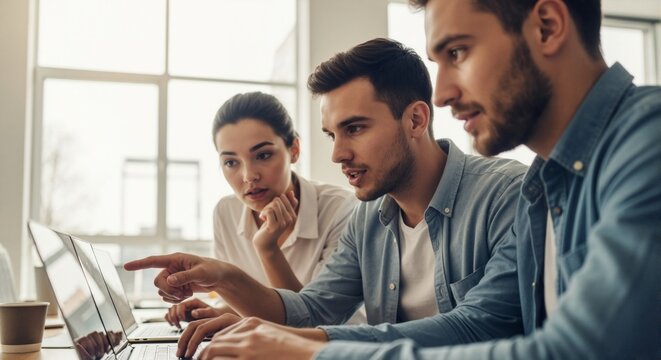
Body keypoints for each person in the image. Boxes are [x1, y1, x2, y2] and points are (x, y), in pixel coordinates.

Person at [197, 0, 661, 359]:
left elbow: (571, 349)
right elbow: (478, 324)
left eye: (457, 52)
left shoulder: (645, 141)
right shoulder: (546, 185)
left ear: (547, 26)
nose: (442, 93)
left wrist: (315, 351)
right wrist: (249, 302)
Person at [124, 38, 528, 358]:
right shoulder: (369, 217)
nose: (338, 155)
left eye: (355, 129)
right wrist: (221, 276)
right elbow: (311, 309)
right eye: (332, 135)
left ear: (416, 120)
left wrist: (307, 345)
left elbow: (481, 326)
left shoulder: (505, 194)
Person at [162, 91, 356, 327]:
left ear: (294, 150)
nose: (248, 176)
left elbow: (310, 322)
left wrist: (268, 250)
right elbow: (253, 306)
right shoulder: (226, 212)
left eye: (263, 155)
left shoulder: (341, 209)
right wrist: (220, 311)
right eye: (231, 162)